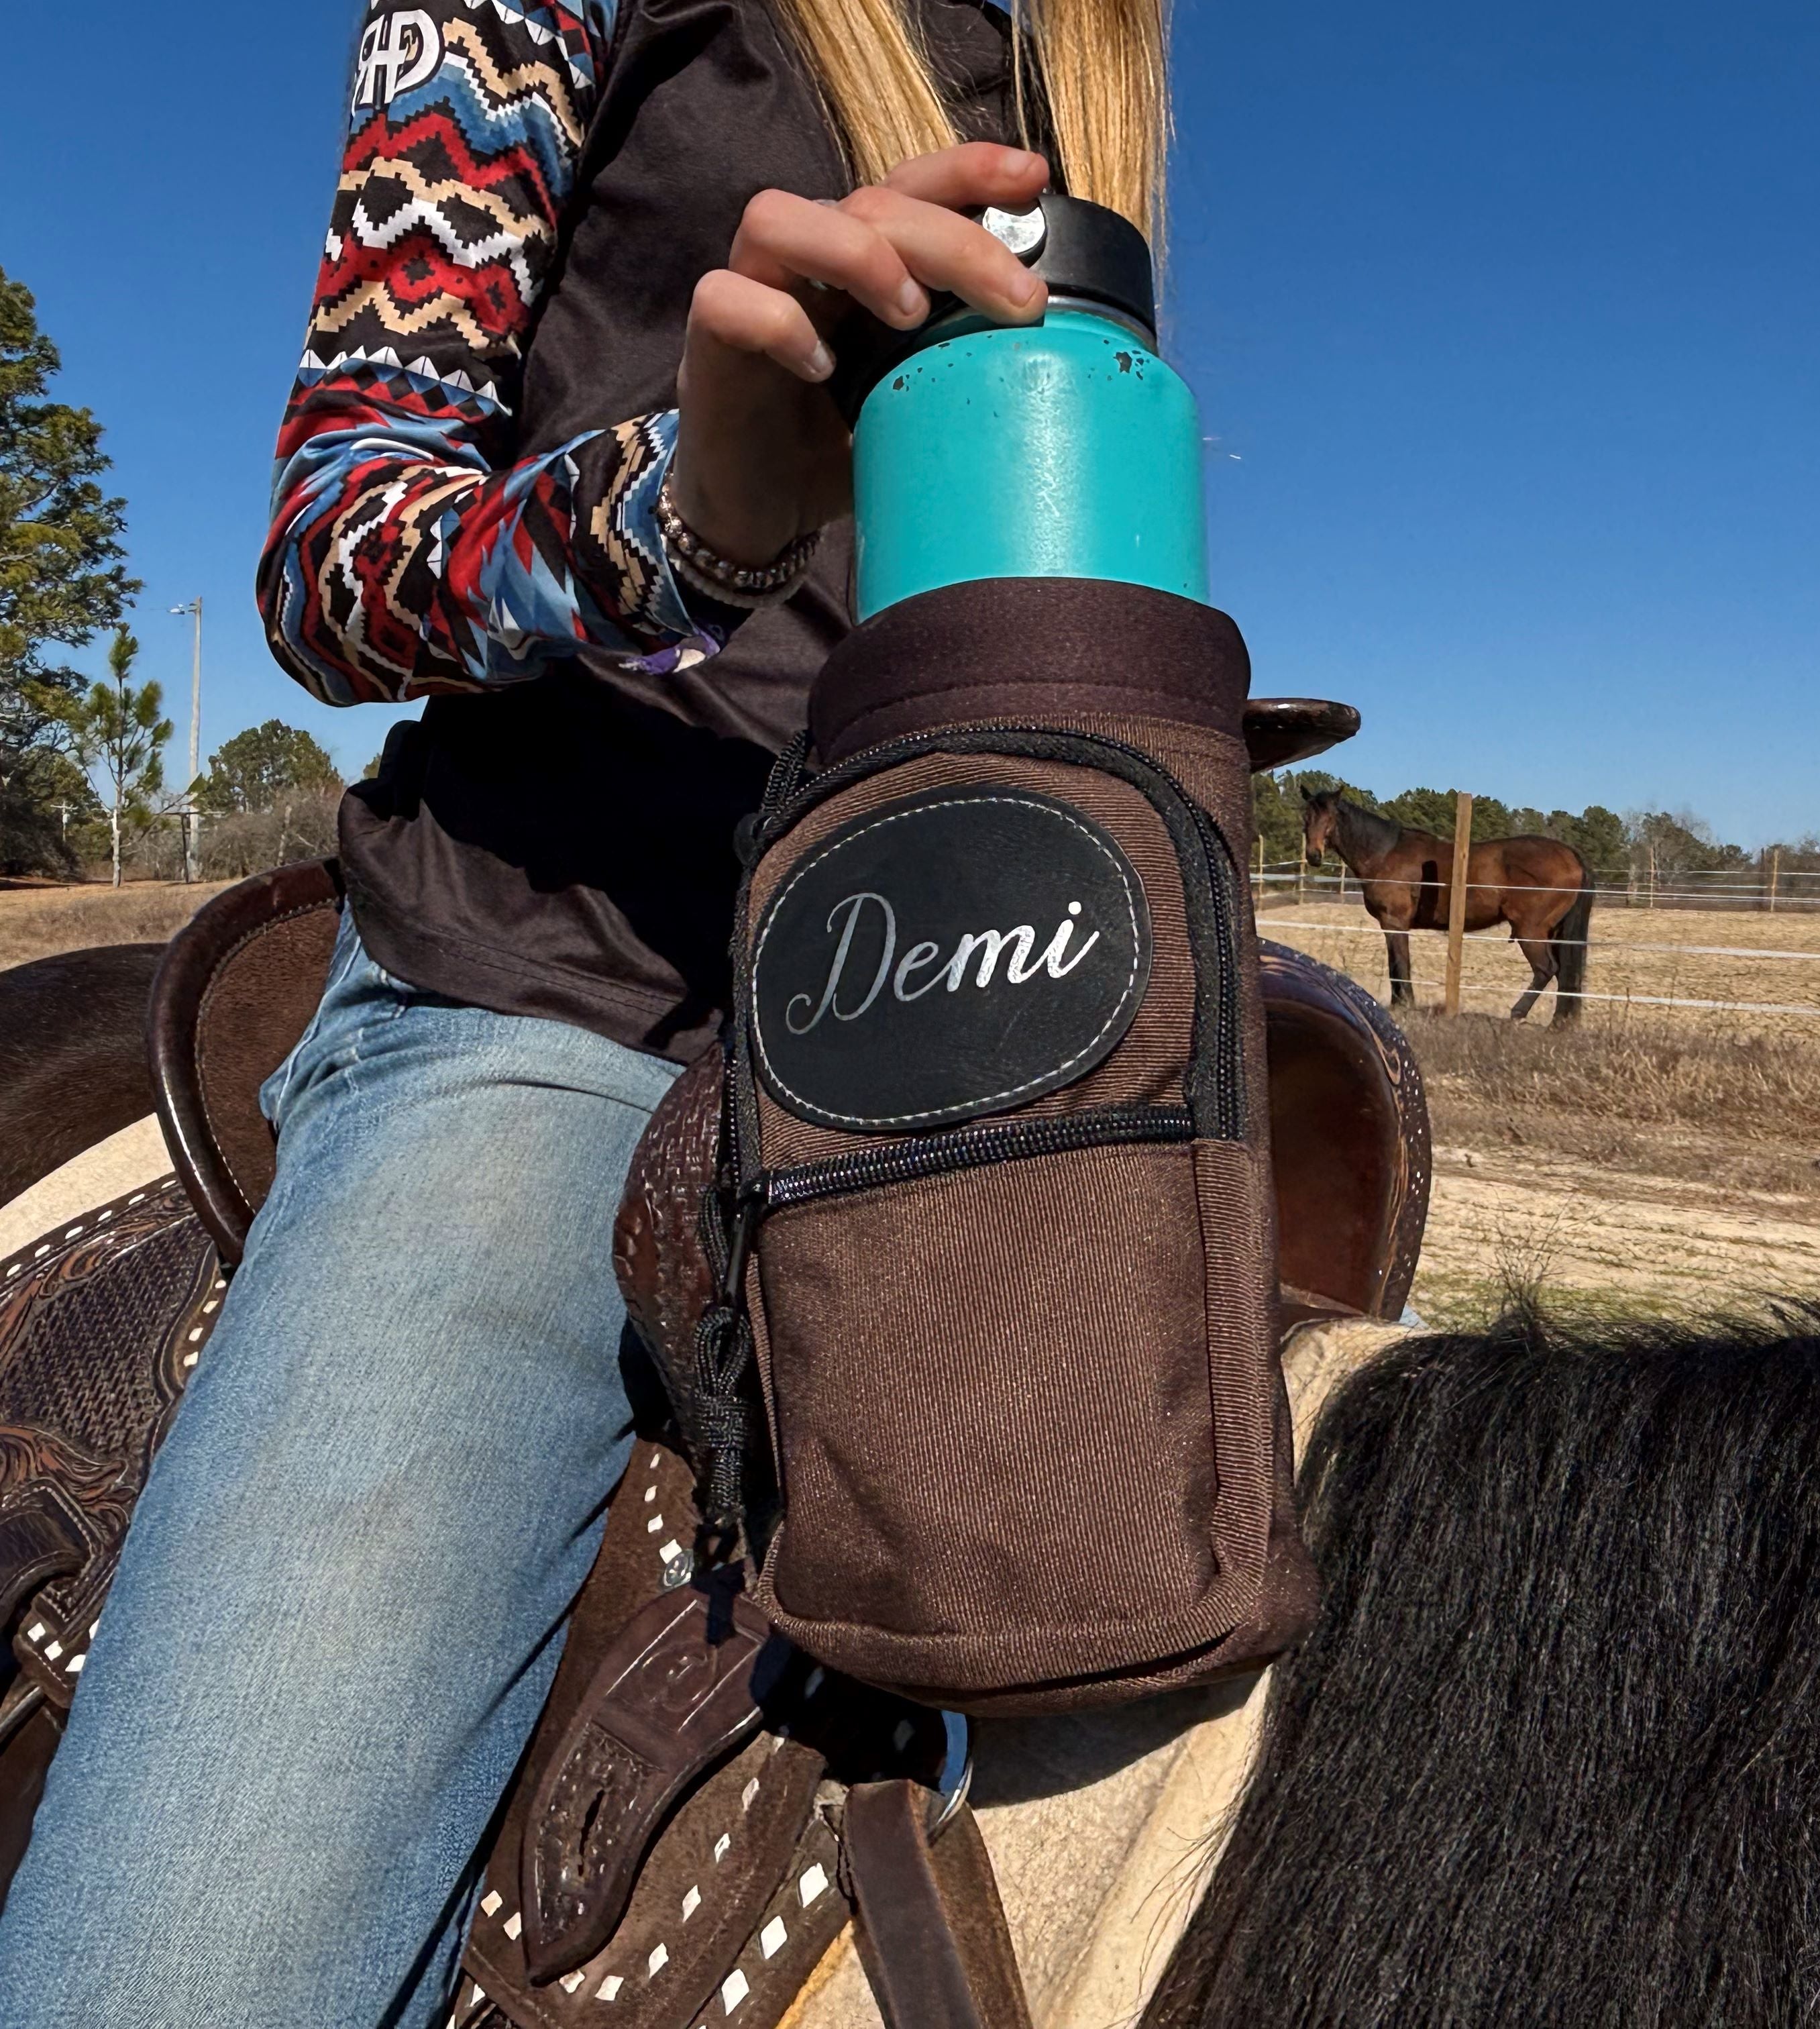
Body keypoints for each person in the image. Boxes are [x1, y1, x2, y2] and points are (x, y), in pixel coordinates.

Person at [0, 0, 1166, 2021]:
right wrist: (688, 514)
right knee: (184, 1978)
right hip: (561, 997)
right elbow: (329, 555)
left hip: (963, 1010)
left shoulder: (1103, 43)